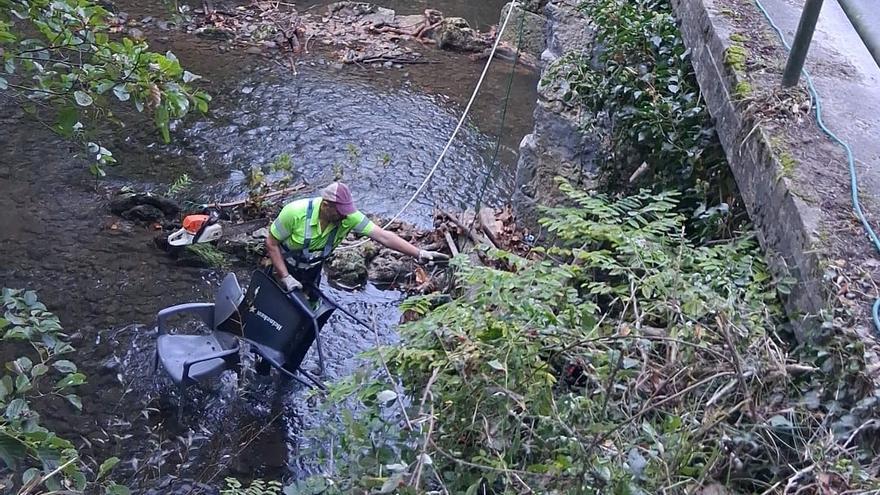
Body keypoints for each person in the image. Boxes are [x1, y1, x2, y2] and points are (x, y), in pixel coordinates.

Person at [266, 182, 448, 294]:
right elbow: (271, 243)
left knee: (306, 314)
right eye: (341, 212)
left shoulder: (349, 217)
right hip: (283, 268)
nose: (345, 216)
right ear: (326, 206)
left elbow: (384, 236)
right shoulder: (294, 213)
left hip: (312, 270)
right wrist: (285, 277)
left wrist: (419, 253)